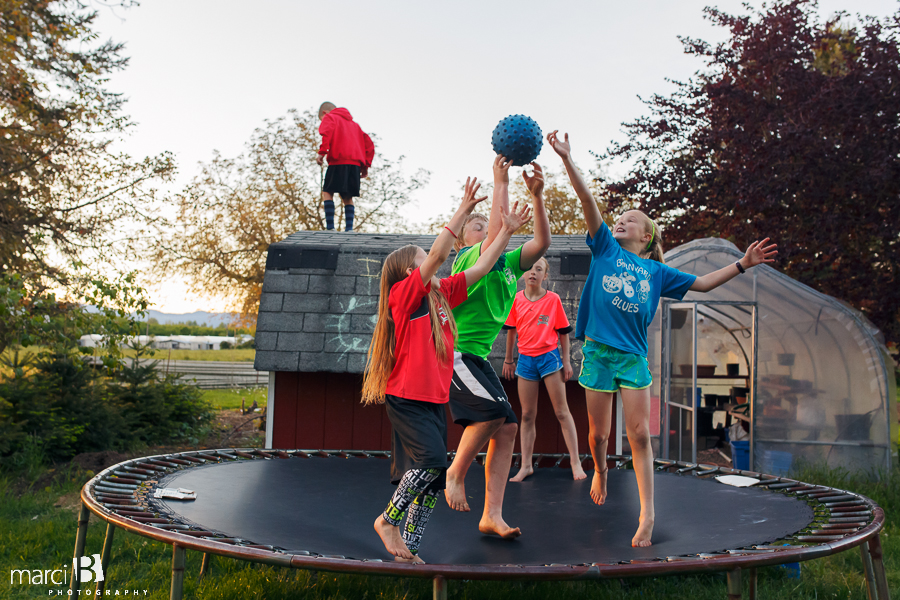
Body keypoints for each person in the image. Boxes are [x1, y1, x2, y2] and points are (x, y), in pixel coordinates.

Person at [547, 130, 777, 547]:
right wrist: (566, 159)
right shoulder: (604, 250)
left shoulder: (656, 272)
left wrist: (742, 264)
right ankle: (599, 468)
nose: (621, 220)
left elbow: (704, 283)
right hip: (597, 353)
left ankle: (647, 513)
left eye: (631, 219)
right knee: (598, 436)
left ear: (648, 238)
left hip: (632, 357)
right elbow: (588, 203)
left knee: (638, 434)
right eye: (620, 217)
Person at [361, 177, 532, 563]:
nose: (434, 263)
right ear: (410, 273)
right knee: (434, 464)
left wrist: (505, 230)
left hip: (433, 400)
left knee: (434, 480)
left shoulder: (444, 294)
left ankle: (411, 551)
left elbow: (486, 263)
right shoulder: (404, 297)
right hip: (406, 397)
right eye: (424, 262)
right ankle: (387, 521)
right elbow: (439, 254)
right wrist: (463, 209)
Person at [443, 155, 551, 540]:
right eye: (475, 224)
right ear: (464, 238)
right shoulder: (467, 259)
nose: (482, 226)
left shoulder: (507, 264)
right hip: (456, 356)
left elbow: (542, 243)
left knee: (506, 430)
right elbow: (492, 236)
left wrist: (537, 196)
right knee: (494, 414)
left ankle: (492, 514)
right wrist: (499, 180)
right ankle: (454, 472)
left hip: (476, 359)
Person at [502, 257, 587, 482]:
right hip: (526, 360)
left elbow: (564, 333)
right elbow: (511, 331)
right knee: (528, 414)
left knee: (562, 411)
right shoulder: (516, 299)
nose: (533, 272)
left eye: (538, 269)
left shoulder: (553, 299)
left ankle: (576, 462)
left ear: (545, 276)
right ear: (523, 274)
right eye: (530, 268)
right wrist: (509, 360)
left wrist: (567, 362)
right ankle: (526, 465)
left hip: (549, 358)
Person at [316, 102, 374, 232]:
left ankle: (330, 227)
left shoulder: (330, 118)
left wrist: (322, 152)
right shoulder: (356, 126)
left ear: (324, 113)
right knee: (347, 197)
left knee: (328, 192)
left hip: (338, 160)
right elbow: (369, 144)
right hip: (354, 165)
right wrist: (365, 166)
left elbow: (327, 134)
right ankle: (349, 229)